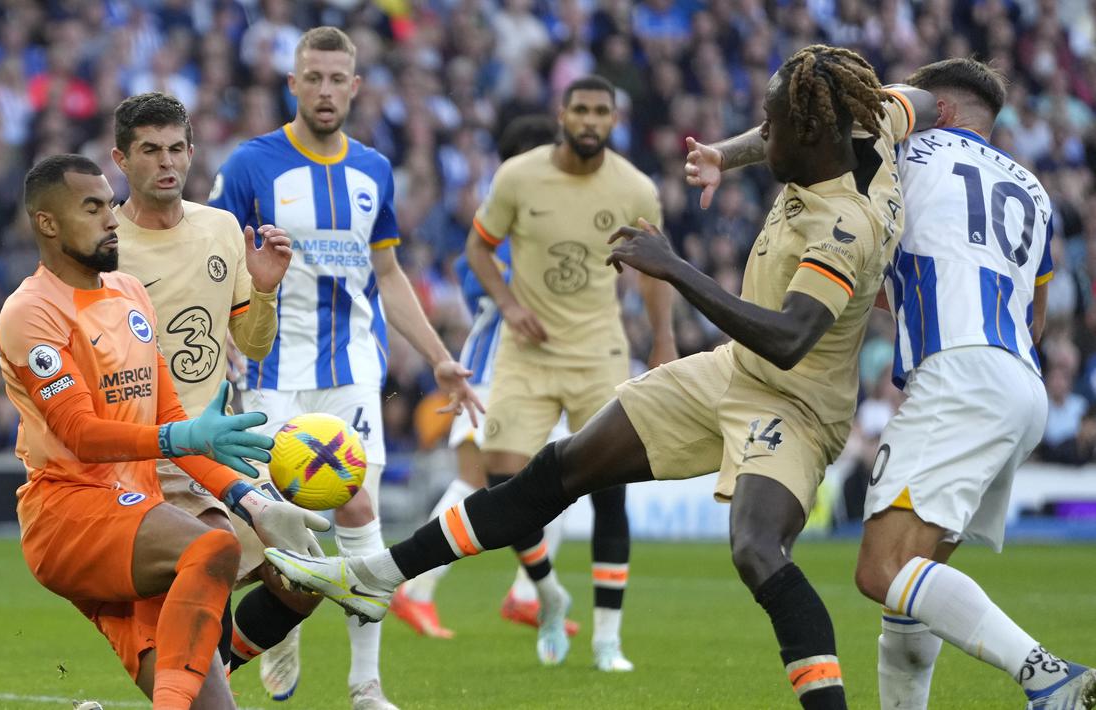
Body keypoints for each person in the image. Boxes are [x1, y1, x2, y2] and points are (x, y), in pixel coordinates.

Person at [266, 44, 932, 709]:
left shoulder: (844, 225)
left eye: (771, 124)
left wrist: (673, 268)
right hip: (729, 371)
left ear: (811, 131)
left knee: (757, 551)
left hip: (796, 403)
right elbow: (928, 98)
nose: (762, 133)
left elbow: (788, 338)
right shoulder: (869, 122)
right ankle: (377, 576)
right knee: (562, 465)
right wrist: (725, 157)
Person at [208, 26, 482, 710]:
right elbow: (211, 260)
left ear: (355, 88)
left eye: (338, 79)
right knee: (266, 526)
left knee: (356, 506)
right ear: (292, 83)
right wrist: (220, 341)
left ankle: (365, 686)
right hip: (268, 370)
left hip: (352, 369)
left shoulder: (373, 171)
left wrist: (441, 359)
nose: (326, 90)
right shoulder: (250, 165)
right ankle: (281, 625)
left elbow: (386, 273)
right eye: (314, 77)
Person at [0, 154, 327, 710]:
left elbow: (172, 421)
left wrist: (252, 502)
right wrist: (182, 441)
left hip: (136, 518)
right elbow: (80, 433)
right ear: (47, 224)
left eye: (110, 203)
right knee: (211, 546)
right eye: (93, 207)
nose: (110, 218)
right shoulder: (30, 312)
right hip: (68, 515)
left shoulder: (129, 292)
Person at [849, 58, 1094, 710]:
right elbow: (1037, 317)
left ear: (939, 111)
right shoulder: (1033, 190)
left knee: (883, 569)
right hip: (1020, 383)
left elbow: (860, 256)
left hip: (956, 374)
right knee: (914, 582)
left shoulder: (907, 152)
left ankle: (1047, 675)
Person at [458, 75, 676, 671]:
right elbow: (479, 246)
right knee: (500, 481)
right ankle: (549, 593)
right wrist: (506, 304)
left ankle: (608, 638)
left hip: (598, 352)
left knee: (610, 491)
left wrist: (663, 341)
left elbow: (658, 271)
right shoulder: (518, 177)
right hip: (527, 352)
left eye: (600, 112)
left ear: (613, 119)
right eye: (580, 109)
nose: (589, 120)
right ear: (562, 113)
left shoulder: (634, 188)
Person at [110, 91, 320, 674]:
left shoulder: (221, 227)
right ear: (121, 160)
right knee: (209, 584)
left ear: (192, 152)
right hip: (145, 457)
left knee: (304, 583)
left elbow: (251, 344)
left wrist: (267, 287)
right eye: (149, 150)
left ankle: (213, 678)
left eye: (176, 148)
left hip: (215, 453)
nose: (166, 162)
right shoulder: (105, 246)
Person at [390, 115, 580, 642]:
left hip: (541, 373)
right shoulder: (501, 213)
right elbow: (475, 277)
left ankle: (520, 594)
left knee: (557, 480)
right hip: (500, 369)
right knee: (479, 480)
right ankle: (422, 588)